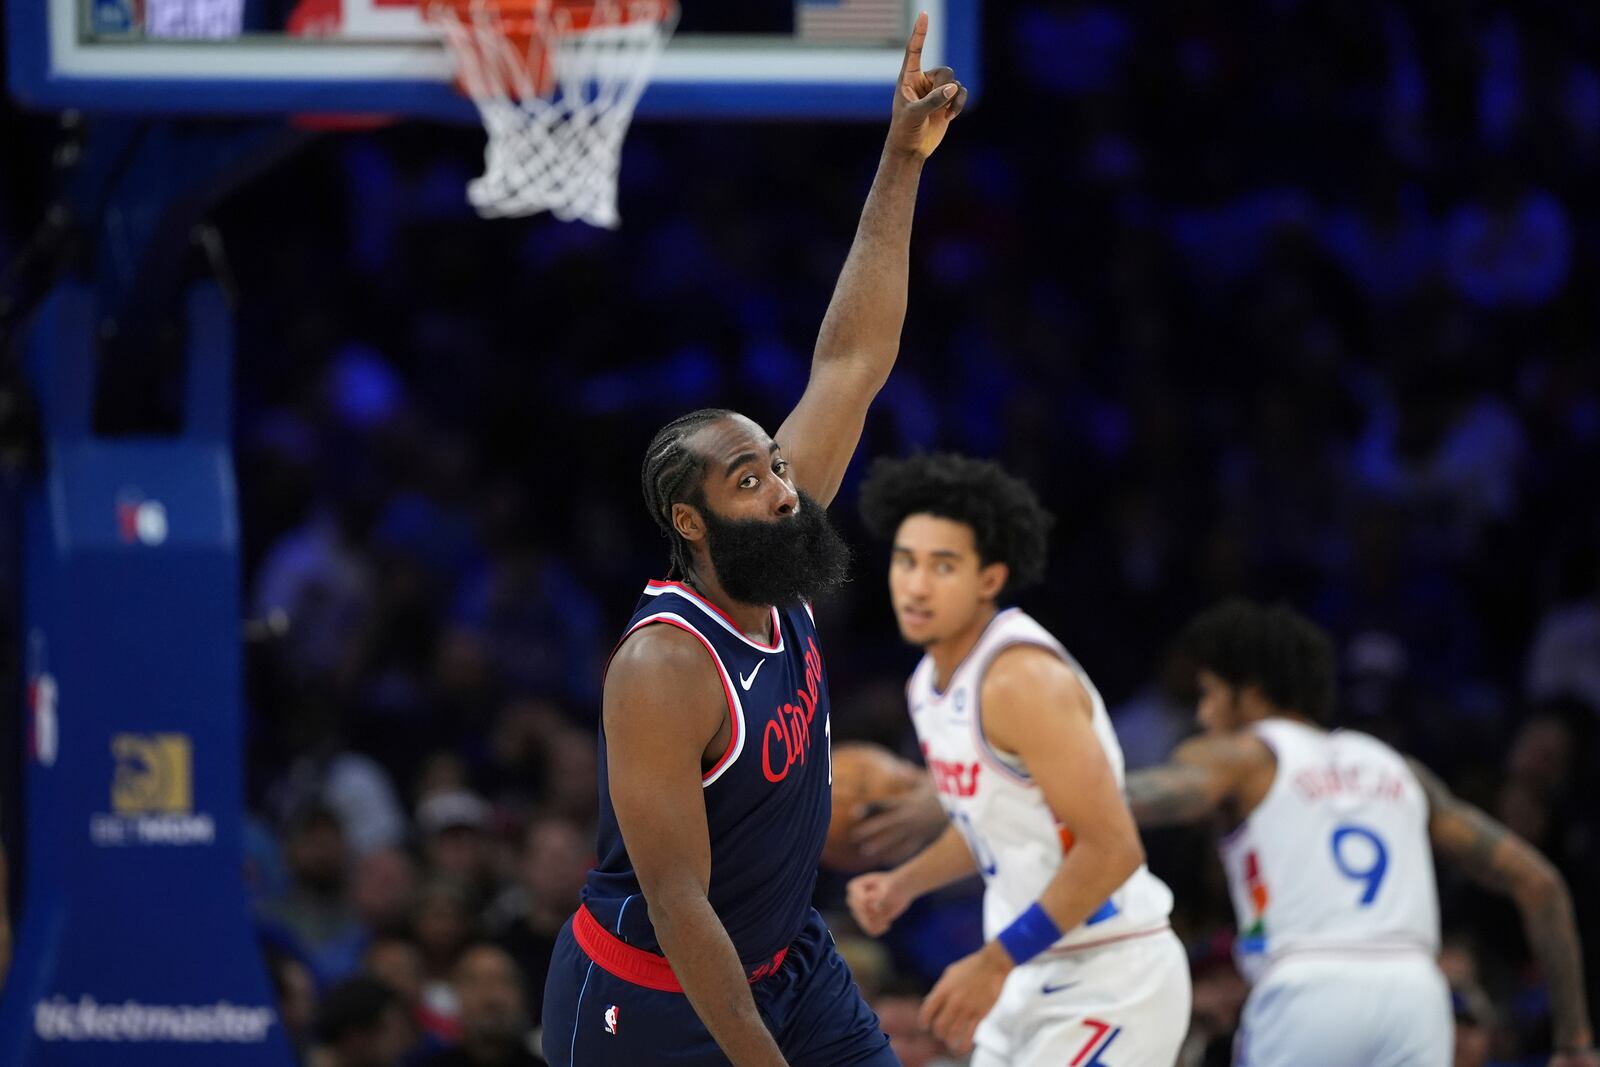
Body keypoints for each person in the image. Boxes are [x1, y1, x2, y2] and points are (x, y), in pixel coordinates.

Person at [540, 16, 966, 1067]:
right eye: (750, 478)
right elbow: (681, 905)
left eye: (774, 465)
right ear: (691, 520)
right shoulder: (663, 664)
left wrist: (898, 162)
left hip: (786, 957)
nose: (782, 488)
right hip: (657, 995)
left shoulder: (780, 539)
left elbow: (852, 357)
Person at [1125, 598, 1600, 1067]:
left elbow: (1140, 798)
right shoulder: (1401, 770)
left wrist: (1062, 788)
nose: (1204, 715)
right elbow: (1542, 884)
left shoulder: (1243, 759)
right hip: (1416, 995)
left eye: (1208, 694)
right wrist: (1575, 1042)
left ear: (1249, 693)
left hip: (1308, 988)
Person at [847, 453, 1191, 1065]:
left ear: (989, 578)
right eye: (906, 561)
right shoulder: (927, 682)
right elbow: (994, 820)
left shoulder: (1022, 680)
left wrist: (993, 960)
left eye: (943, 566)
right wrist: (906, 883)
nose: (917, 585)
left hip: (1112, 974)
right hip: (1030, 970)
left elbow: (1115, 848)